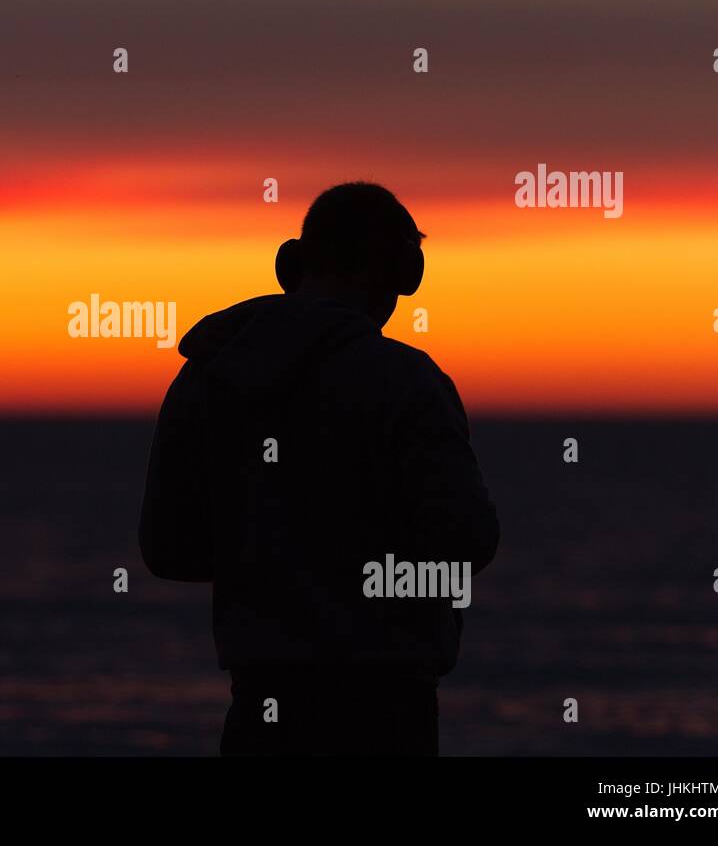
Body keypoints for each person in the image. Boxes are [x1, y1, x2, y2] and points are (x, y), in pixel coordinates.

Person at [139, 182, 500, 756]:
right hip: (386, 712)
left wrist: (271, 553)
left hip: (258, 711)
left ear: (294, 263)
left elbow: (168, 548)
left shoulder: (206, 376)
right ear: (402, 271)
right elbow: (470, 540)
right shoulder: (406, 381)